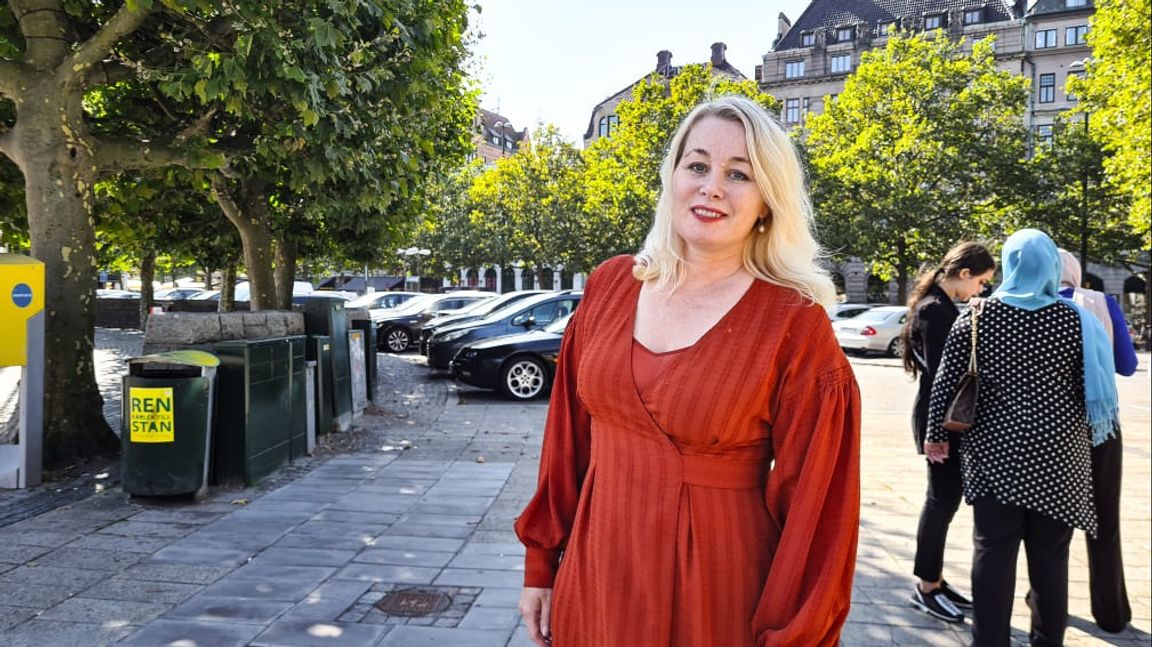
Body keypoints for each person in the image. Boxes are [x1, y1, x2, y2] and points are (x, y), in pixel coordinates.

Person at [514, 96, 861, 647]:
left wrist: (797, 635)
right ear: (672, 176)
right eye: (697, 165)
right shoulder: (609, 286)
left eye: (739, 174)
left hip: (719, 593)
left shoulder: (796, 326)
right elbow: (567, 442)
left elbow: (818, 511)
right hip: (597, 572)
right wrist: (542, 561)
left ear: (768, 202)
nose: (712, 186)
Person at [925, 229, 1117, 646]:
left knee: (992, 552)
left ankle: (989, 640)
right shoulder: (1075, 320)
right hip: (1059, 458)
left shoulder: (976, 316)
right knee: (1051, 560)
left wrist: (935, 436)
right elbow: (1092, 390)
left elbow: (944, 384)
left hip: (996, 455)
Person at [900, 242, 995, 624]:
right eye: (983, 282)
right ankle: (926, 586)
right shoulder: (936, 311)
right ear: (966, 274)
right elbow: (945, 378)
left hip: (941, 421)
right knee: (940, 502)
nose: (983, 290)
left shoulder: (936, 305)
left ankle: (933, 577)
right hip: (941, 423)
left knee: (944, 502)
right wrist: (937, 432)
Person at [1057, 249, 1137, 633]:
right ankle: (1111, 612)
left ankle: (1045, 600)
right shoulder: (1100, 302)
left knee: (1051, 524)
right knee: (1105, 518)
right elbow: (1127, 364)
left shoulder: (1035, 306)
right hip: (1101, 425)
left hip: (1054, 428)